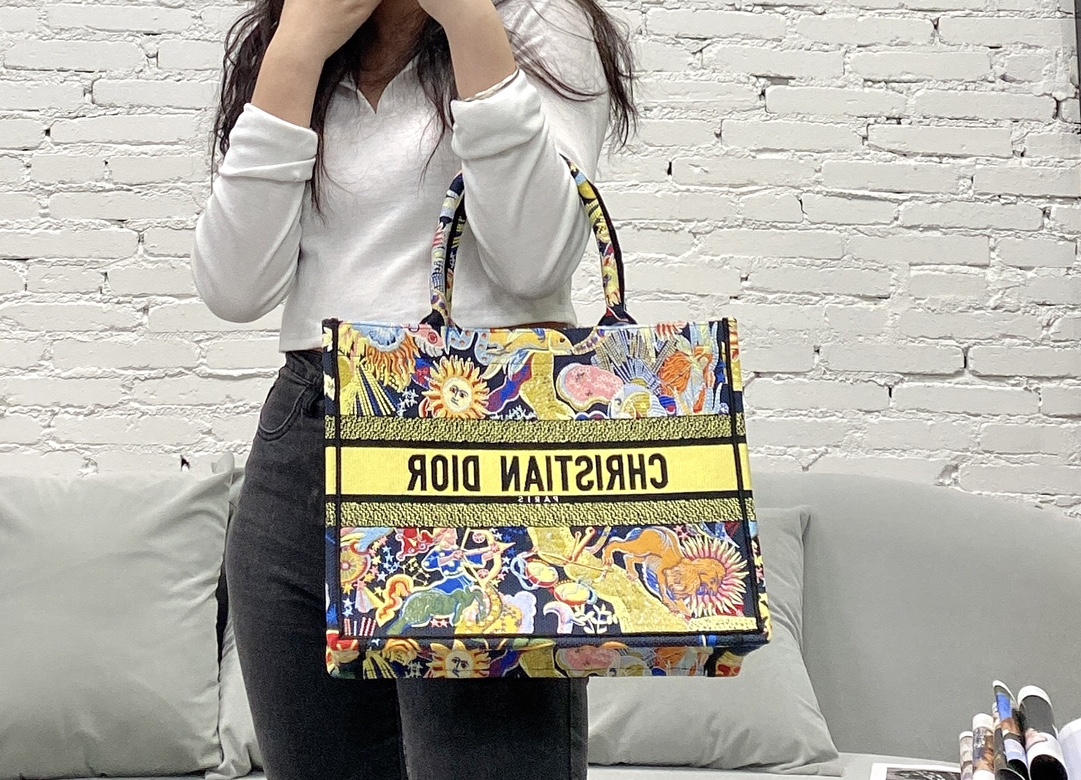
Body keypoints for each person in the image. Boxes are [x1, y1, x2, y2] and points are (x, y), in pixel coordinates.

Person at [188, 0, 637, 777]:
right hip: (307, 433)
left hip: (478, 445)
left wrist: (467, 20)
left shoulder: (537, 18)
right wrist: (296, 49)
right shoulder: (303, 27)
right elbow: (234, 285)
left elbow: (533, 260)